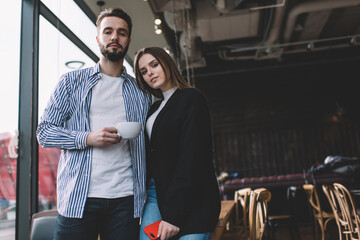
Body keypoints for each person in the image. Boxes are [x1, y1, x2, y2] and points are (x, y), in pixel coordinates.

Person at [36, 8, 150, 240]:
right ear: (98, 38)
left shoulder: (141, 91)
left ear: (128, 40)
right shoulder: (71, 82)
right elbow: (44, 132)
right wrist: (87, 138)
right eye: (108, 31)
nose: (114, 37)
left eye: (121, 32)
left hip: (126, 199)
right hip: (79, 198)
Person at [134, 47, 221, 240]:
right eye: (144, 71)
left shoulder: (192, 98)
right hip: (156, 195)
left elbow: (193, 159)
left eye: (154, 65)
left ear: (167, 63)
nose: (150, 73)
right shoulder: (153, 109)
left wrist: (174, 216)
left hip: (195, 197)